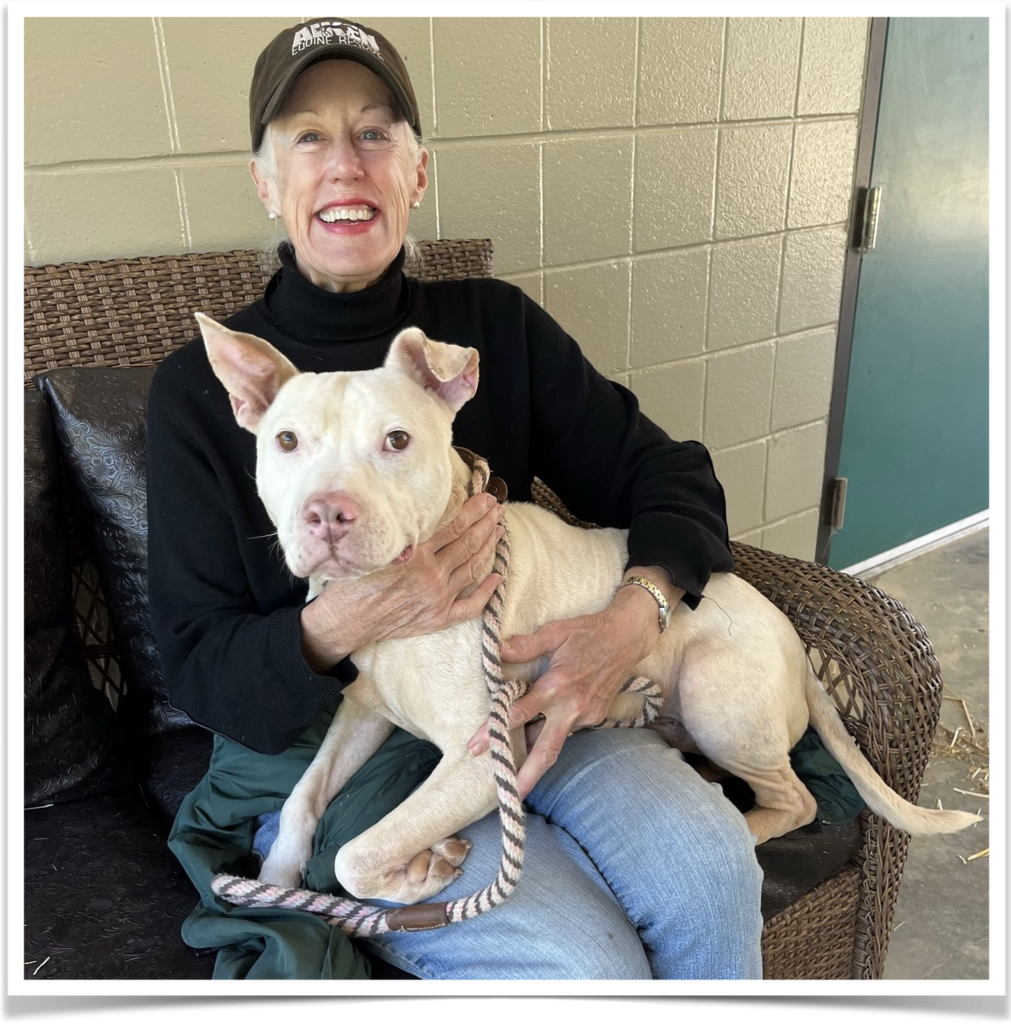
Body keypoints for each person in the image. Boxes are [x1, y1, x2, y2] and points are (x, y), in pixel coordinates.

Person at [148, 17, 763, 981]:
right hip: (328, 738)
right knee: (579, 966)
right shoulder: (206, 390)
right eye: (307, 136)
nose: (343, 164)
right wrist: (367, 610)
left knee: (710, 867)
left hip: (534, 701)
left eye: (374, 133)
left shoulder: (493, 330)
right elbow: (194, 667)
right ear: (266, 182)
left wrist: (630, 616)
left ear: (417, 174)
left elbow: (669, 475)